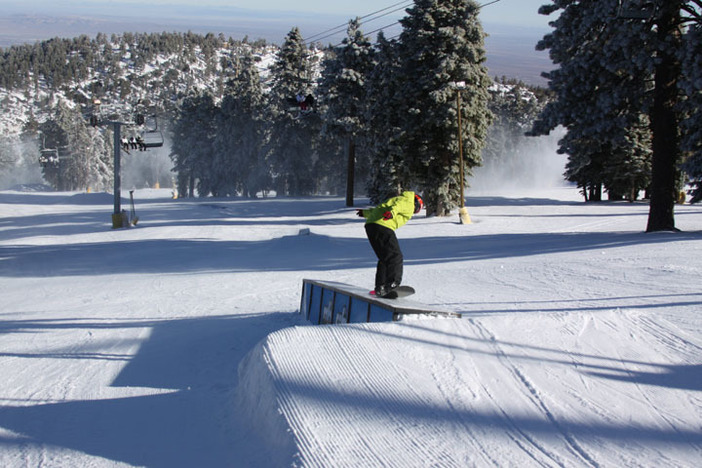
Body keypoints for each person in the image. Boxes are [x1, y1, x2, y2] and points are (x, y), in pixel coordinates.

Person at [356, 190, 424, 296]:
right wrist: (392, 213)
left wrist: (365, 213)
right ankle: (392, 284)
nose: (413, 212)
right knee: (395, 256)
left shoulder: (394, 199)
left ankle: (380, 286)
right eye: (416, 210)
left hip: (371, 226)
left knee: (384, 258)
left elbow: (381, 209)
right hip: (383, 226)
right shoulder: (408, 202)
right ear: (416, 203)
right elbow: (398, 206)